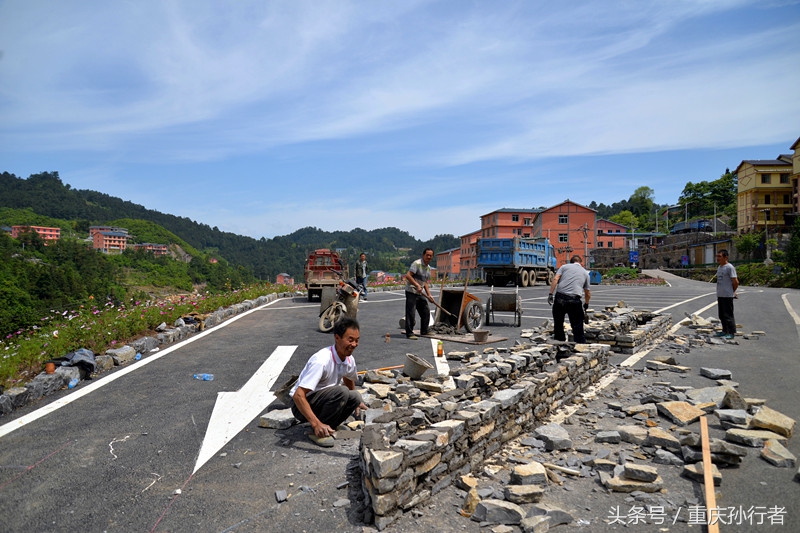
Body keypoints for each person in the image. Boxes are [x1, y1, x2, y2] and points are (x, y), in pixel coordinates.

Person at [290, 317, 367, 447]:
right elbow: (298, 395)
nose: (354, 344)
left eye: (357, 340)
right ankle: (317, 431)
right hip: (301, 406)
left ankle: (331, 426)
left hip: (322, 400)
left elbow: (348, 377)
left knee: (355, 396)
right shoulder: (322, 360)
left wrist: (356, 403)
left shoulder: (349, 359)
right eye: (350, 340)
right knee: (341, 391)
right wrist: (316, 423)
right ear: (337, 337)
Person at [548, 255, 591, 343]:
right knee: (577, 326)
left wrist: (550, 294)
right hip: (574, 300)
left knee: (558, 324)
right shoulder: (585, 273)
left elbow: (555, 279)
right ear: (581, 263)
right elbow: (587, 292)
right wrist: (586, 304)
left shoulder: (564, 267)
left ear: (571, 262)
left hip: (560, 297)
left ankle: (559, 345)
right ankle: (580, 346)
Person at [404, 248, 435, 340]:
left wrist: (429, 295)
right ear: (423, 255)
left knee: (425, 310)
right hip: (411, 291)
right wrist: (417, 285)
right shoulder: (416, 264)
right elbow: (408, 275)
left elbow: (425, 282)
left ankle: (424, 330)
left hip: (420, 292)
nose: (428, 257)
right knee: (411, 313)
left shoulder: (428, 268)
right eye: (427, 255)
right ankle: (409, 333)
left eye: (430, 255)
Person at [715, 249, 739, 339]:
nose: (718, 258)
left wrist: (732, 291)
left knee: (728, 315)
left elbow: (735, 281)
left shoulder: (730, 267)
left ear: (726, 257)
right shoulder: (720, 267)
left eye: (720, 256)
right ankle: (724, 330)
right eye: (717, 256)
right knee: (721, 315)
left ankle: (731, 332)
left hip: (727, 295)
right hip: (720, 295)